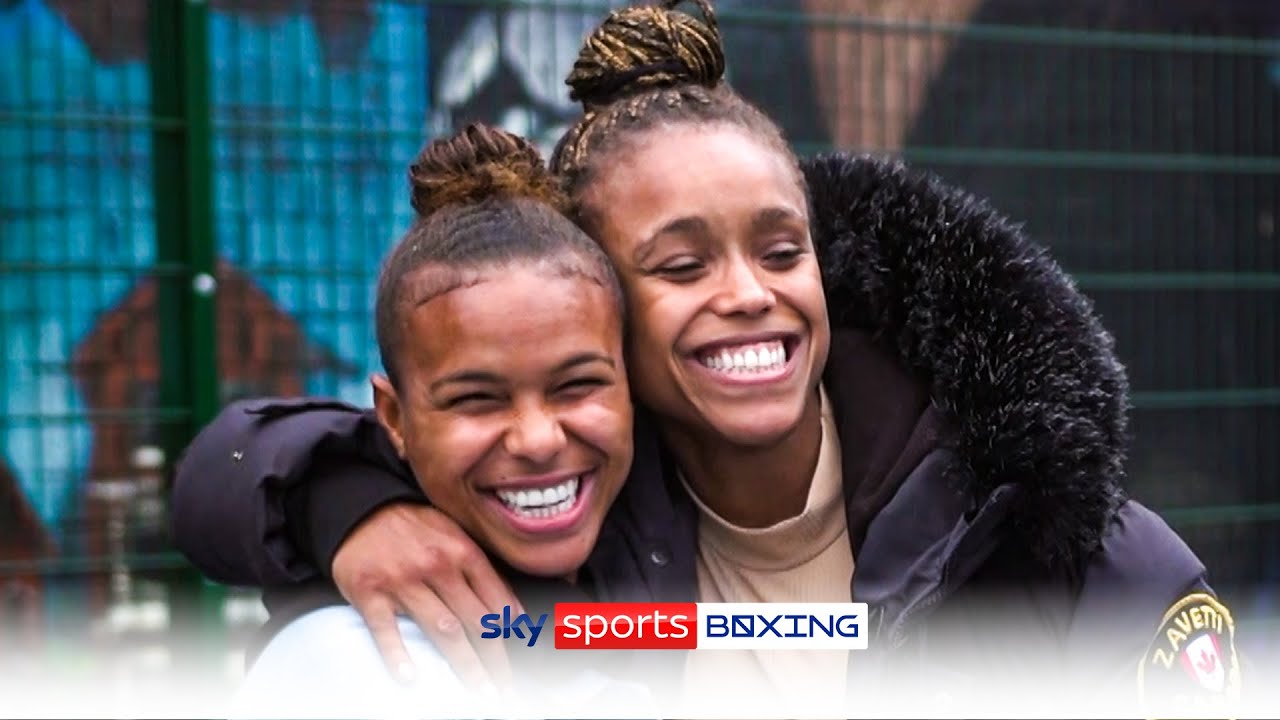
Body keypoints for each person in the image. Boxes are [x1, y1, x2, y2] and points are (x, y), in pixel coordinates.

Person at [172, 0, 1239, 714]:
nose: (746, 294)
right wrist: (349, 504)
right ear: (596, 306)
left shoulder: (1042, 527)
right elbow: (221, 475)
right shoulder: (557, 500)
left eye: (780, 250)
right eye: (678, 267)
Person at [226, 122, 654, 718]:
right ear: (394, 419)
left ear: (631, 386)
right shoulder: (352, 665)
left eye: (578, 385)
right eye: (477, 399)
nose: (536, 439)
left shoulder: (657, 537)